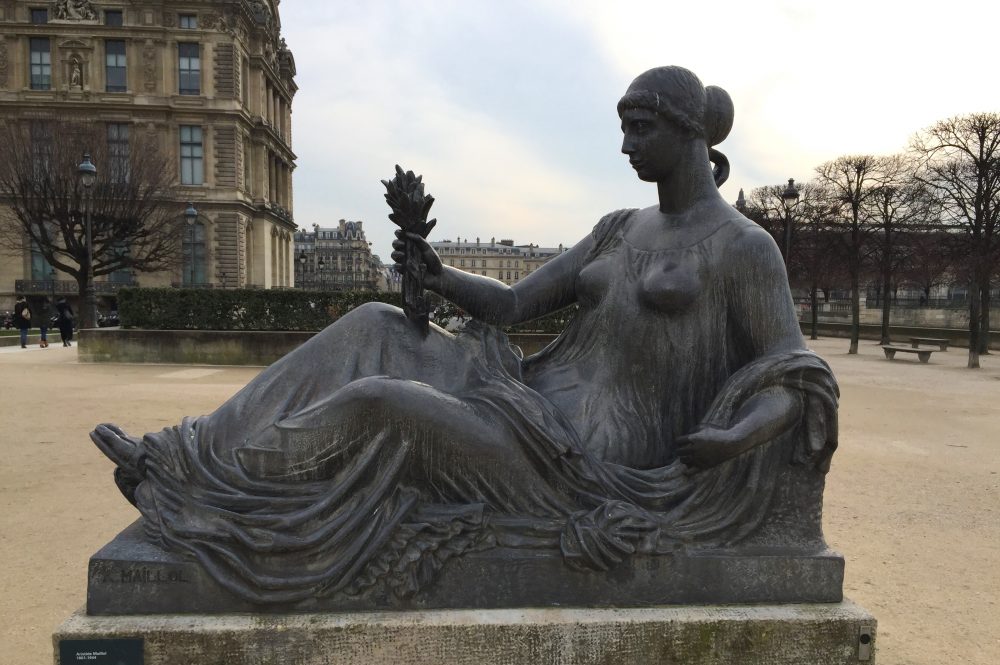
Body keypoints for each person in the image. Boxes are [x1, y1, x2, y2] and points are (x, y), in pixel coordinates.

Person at [93, 66, 838, 605]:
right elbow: (512, 306)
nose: (624, 147)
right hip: (530, 406)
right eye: (623, 128)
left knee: (385, 402)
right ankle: (187, 454)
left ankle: (209, 494)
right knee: (376, 324)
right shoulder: (619, 227)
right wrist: (437, 272)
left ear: (688, 132)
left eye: (638, 129)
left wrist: (736, 439)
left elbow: (794, 377)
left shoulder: (743, 247)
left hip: (587, 467)